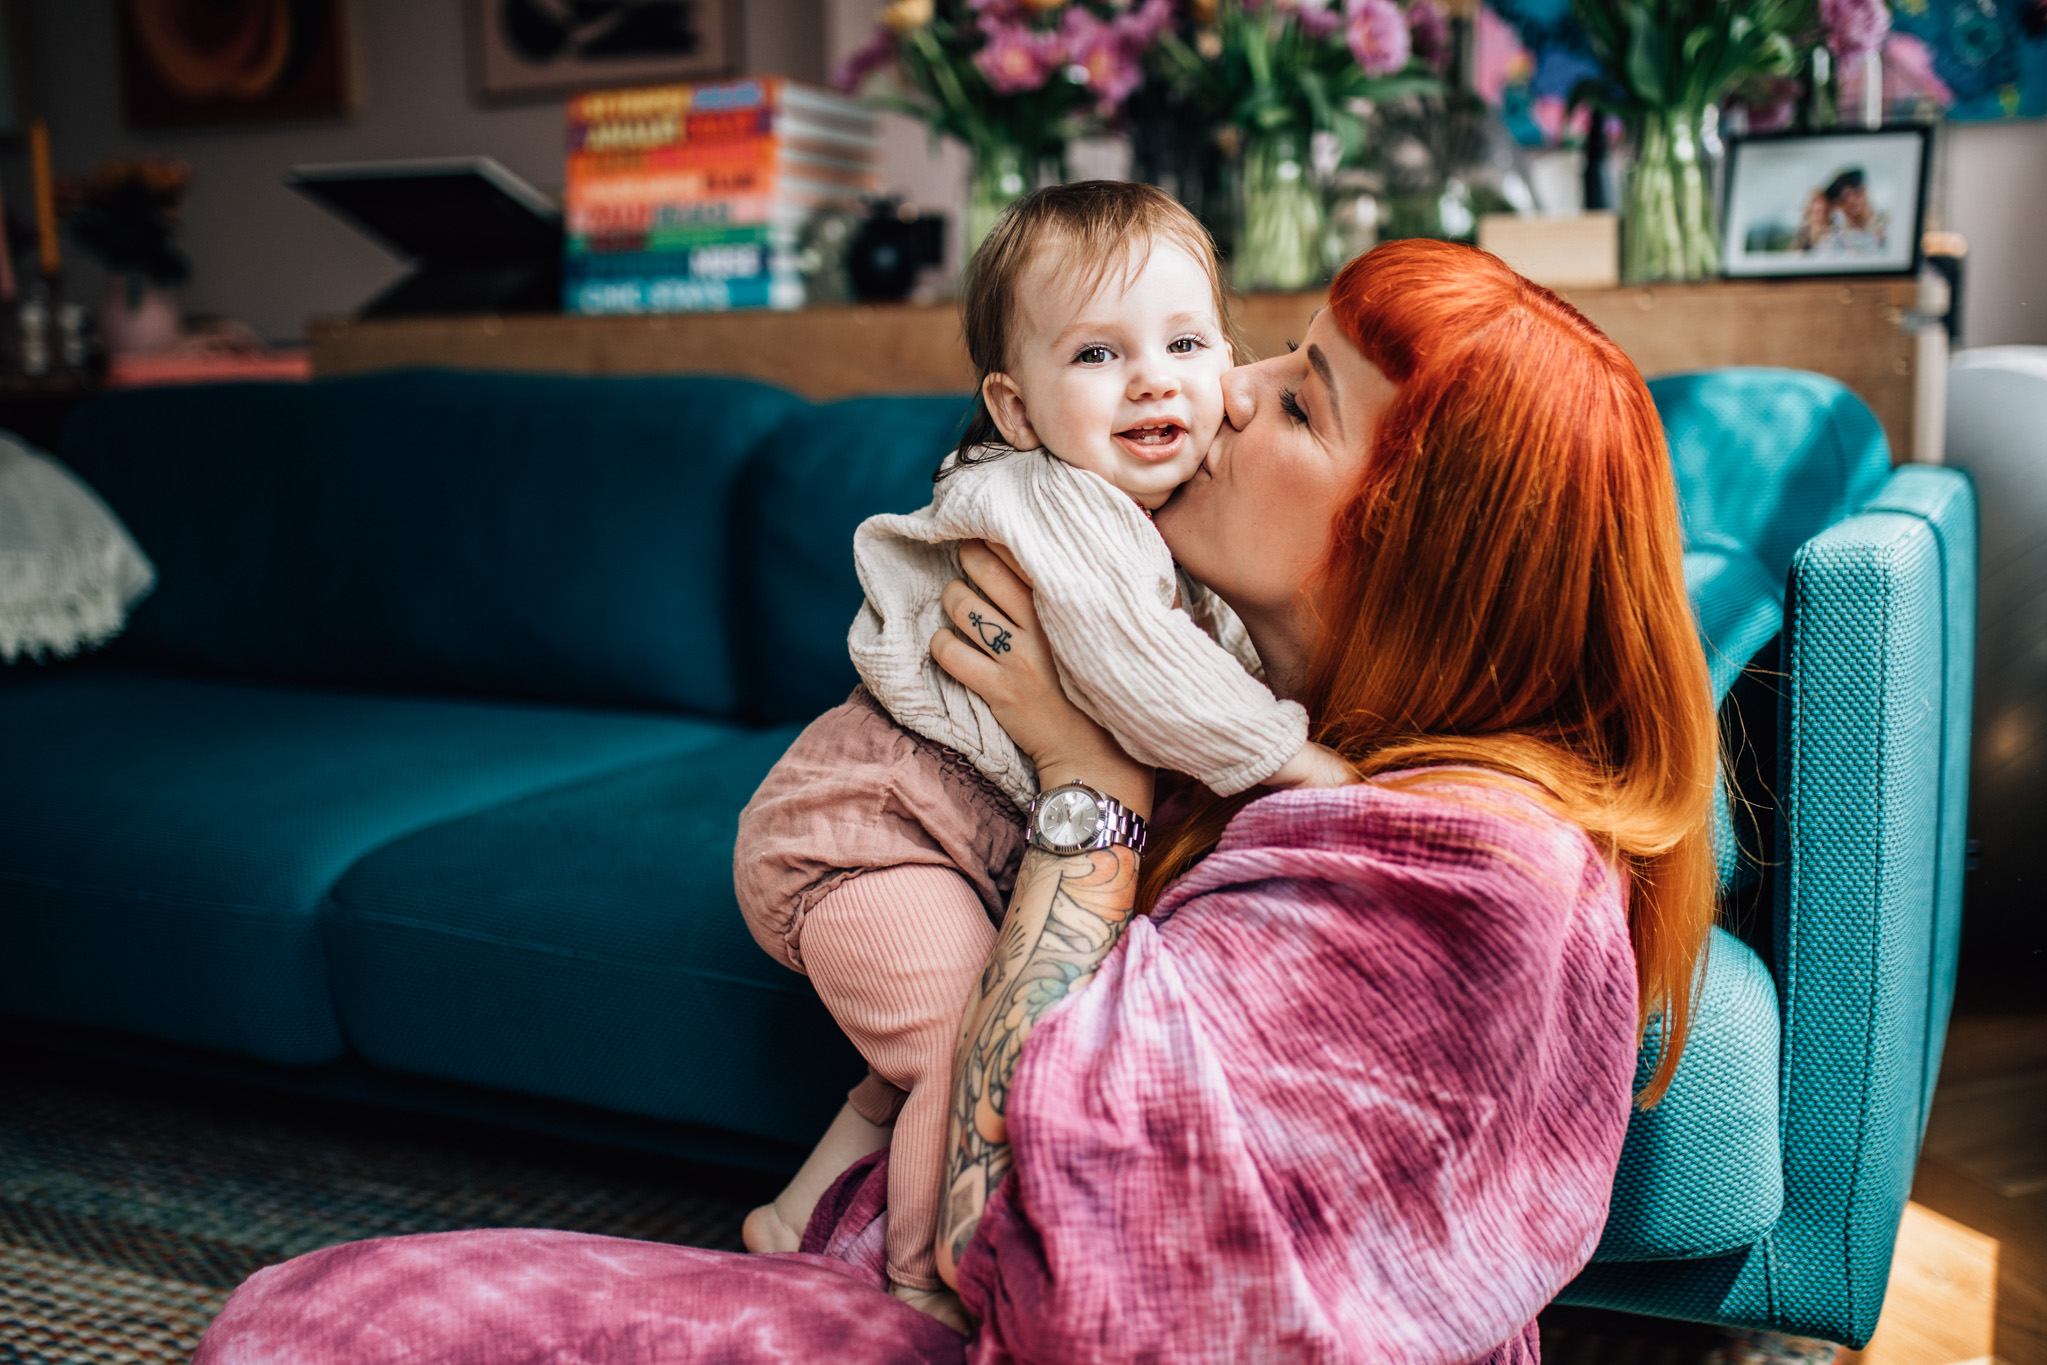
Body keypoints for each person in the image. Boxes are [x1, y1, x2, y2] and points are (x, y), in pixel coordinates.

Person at [191, 238, 1720, 1364]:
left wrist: (1085, 774)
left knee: (318, 1331)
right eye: (1267, 352)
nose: (1221, 392)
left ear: (1422, 552)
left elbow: (1053, 1235)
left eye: (1301, 400)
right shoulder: (1268, 690)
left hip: (981, 1312)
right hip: (909, 1210)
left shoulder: (1469, 865)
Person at [732, 180, 1345, 1328]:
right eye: (1098, 356)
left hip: (964, 846)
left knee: (918, 1038)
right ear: (1014, 411)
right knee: (969, 1041)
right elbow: (1139, 674)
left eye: (1184, 342)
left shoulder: (1153, 515)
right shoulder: (1053, 505)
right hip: (866, 839)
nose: (1154, 379)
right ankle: (924, 1291)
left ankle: (794, 1212)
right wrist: (1291, 760)